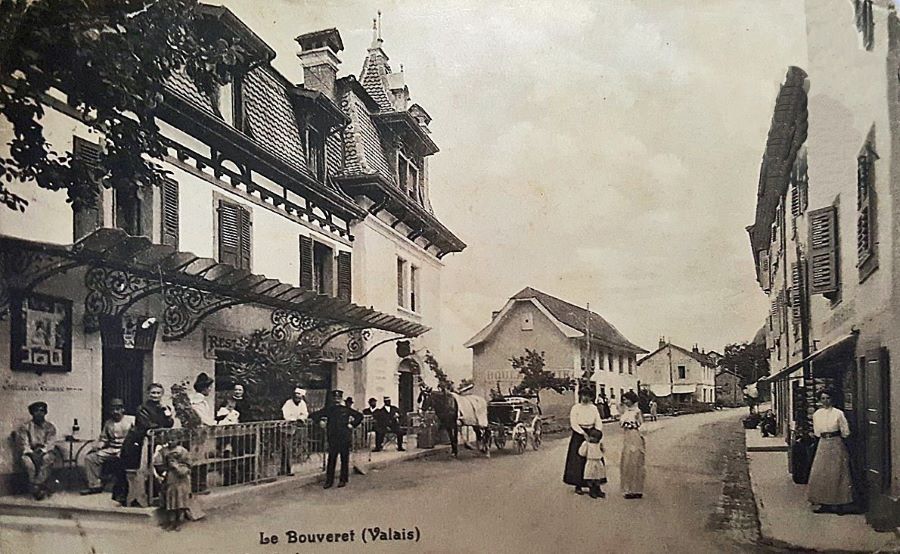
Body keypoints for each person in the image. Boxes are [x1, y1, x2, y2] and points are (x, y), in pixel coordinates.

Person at [119, 383, 175, 504]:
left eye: (158, 393)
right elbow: (146, 425)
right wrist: (161, 426)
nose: (155, 395)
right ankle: (136, 498)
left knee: (157, 466)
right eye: (153, 393)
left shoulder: (163, 408)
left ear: (162, 394)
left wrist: (167, 414)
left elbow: (169, 424)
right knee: (140, 469)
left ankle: (154, 495)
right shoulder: (142, 408)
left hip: (155, 441)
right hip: (139, 442)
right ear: (148, 394)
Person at [808, 388, 853, 514]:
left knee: (837, 472)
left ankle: (839, 504)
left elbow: (845, 431)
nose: (825, 401)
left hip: (836, 443)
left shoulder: (838, 413)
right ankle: (824, 503)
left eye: (828, 398)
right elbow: (817, 432)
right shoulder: (817, 414)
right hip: (823, 444)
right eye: (823, 398)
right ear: (819, 400)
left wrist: (839, 437)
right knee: (822, 473)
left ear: (832, 399)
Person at [309, 390, 363, 489]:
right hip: (333, 437)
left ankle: (343, 479)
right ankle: (329, 481)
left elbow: (359, 416)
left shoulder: (346, 409)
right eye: (334, 398)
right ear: (332, 399)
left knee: (344, 459)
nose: (336, 400)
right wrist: (320, 421)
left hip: (344, 437)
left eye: (338, 398)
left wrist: (352, 424)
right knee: (332, 459)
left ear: (341, 399)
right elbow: (313, 415)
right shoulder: (329, 409)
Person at [81, 398, 134, 496]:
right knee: (90, 458)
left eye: (118, 409)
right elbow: (104, 438)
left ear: (123, 409)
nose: (115, 412)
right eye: (113, 409)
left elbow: (135, 438)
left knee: (120, 461)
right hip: (112, 449)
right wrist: (98, 446)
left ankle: (122, 489)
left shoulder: (131, 420)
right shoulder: (108, 423)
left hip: (127, 450)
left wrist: (126, 449)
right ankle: (95, 485)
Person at [14, 401, 58, 500]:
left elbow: (50, 443)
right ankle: (38, 488)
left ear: (45, 412)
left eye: (42, 411)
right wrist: (31, 452)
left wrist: (43, 451)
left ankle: (36, 487)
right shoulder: (25, 427)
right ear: (32, 413)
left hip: (45, 451)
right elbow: (24, 443)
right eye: (36, 411)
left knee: (47, 459)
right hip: (30, 452)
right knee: (28, 463)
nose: (39, 413)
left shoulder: (50, 427)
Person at [563, 387, 603, 495]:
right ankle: (578, 484)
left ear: (591, 397)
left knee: (595, 459)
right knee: (578, 459)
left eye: (588, 396)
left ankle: (595, 486)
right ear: (580, 395)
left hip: (592, 433)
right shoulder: (576, 408)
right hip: (579, 434)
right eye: (583, 395)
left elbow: (598, 421)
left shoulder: (593, 408)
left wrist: (597, 433)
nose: (585, 398)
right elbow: (573, 423)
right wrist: (582, 433)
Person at [158, 443, 192, 531]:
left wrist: (178, 466)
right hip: (171, 477)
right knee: (170, 500)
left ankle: (179, 522)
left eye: (173, 439)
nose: (170, 441)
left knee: (180, 501)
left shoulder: (182, 450)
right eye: (169, 439)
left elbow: (189, 464)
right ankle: (171, 522)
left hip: (181, 478)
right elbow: (160, 464)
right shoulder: (164, 451)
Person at [620, 391, 646, 499]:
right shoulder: (625, 412)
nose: (625, 401)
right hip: (627, 437)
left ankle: (637, 489)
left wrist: (633, 425)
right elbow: (621, 423)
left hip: (635, 435)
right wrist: (625, 424)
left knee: (636, 460)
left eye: (627, 399)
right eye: (624, 399)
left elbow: (642, 425)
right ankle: (628, 489)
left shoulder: (637, 411)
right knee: (627, 461)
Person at [577, 427, 606, 499]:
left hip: (598, 461)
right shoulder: (586, 444)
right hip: (590, 461)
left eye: (596, 438)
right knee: (591, 476)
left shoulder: (599, 444)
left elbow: (603, 451)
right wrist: (585, 449)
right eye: (592, 437)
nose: (593, 439)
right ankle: (592, 490)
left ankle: (598, 489)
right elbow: (582, 452)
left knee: (598, 476)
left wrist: (602, 448)